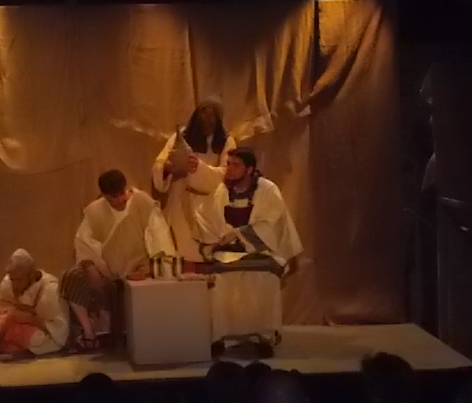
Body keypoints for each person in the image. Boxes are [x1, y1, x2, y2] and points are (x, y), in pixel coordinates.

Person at [195, 147, 303, 356]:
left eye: (236, 165)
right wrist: (221, 236)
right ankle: (220, 336)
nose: (229, 169)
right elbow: (205, 216)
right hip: (229, 252)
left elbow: (272, 223)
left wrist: (238, 234)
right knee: (221, 280)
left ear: (250, 169)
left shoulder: (267, 189)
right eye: (228, 164)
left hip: (261, 251)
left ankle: (263, 336)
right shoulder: (222, 190)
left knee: (265, 278)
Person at [60, 169, 176, 351]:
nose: (121, 199)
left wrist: (148, 270)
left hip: (142, 268)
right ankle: (90, 333)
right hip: (109, 271)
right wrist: (91, 268)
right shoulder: (95, 211)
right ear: (105, 196)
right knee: (73, 276)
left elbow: (160, 239)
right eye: (114, 197)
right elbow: (83, 243)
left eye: (122, 193)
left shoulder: (142, 202)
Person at [152, 96, 237, 268]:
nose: (206, 119)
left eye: (212, 115)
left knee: (205, 255)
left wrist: (198, 168)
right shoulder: (181, 136)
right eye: (203, 113)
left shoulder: (226, 141)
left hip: (208, 205)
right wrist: (168, 167)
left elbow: (226, 174)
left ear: (218, 119)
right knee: (181, 249)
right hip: (180, 200)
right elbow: (160, 164)